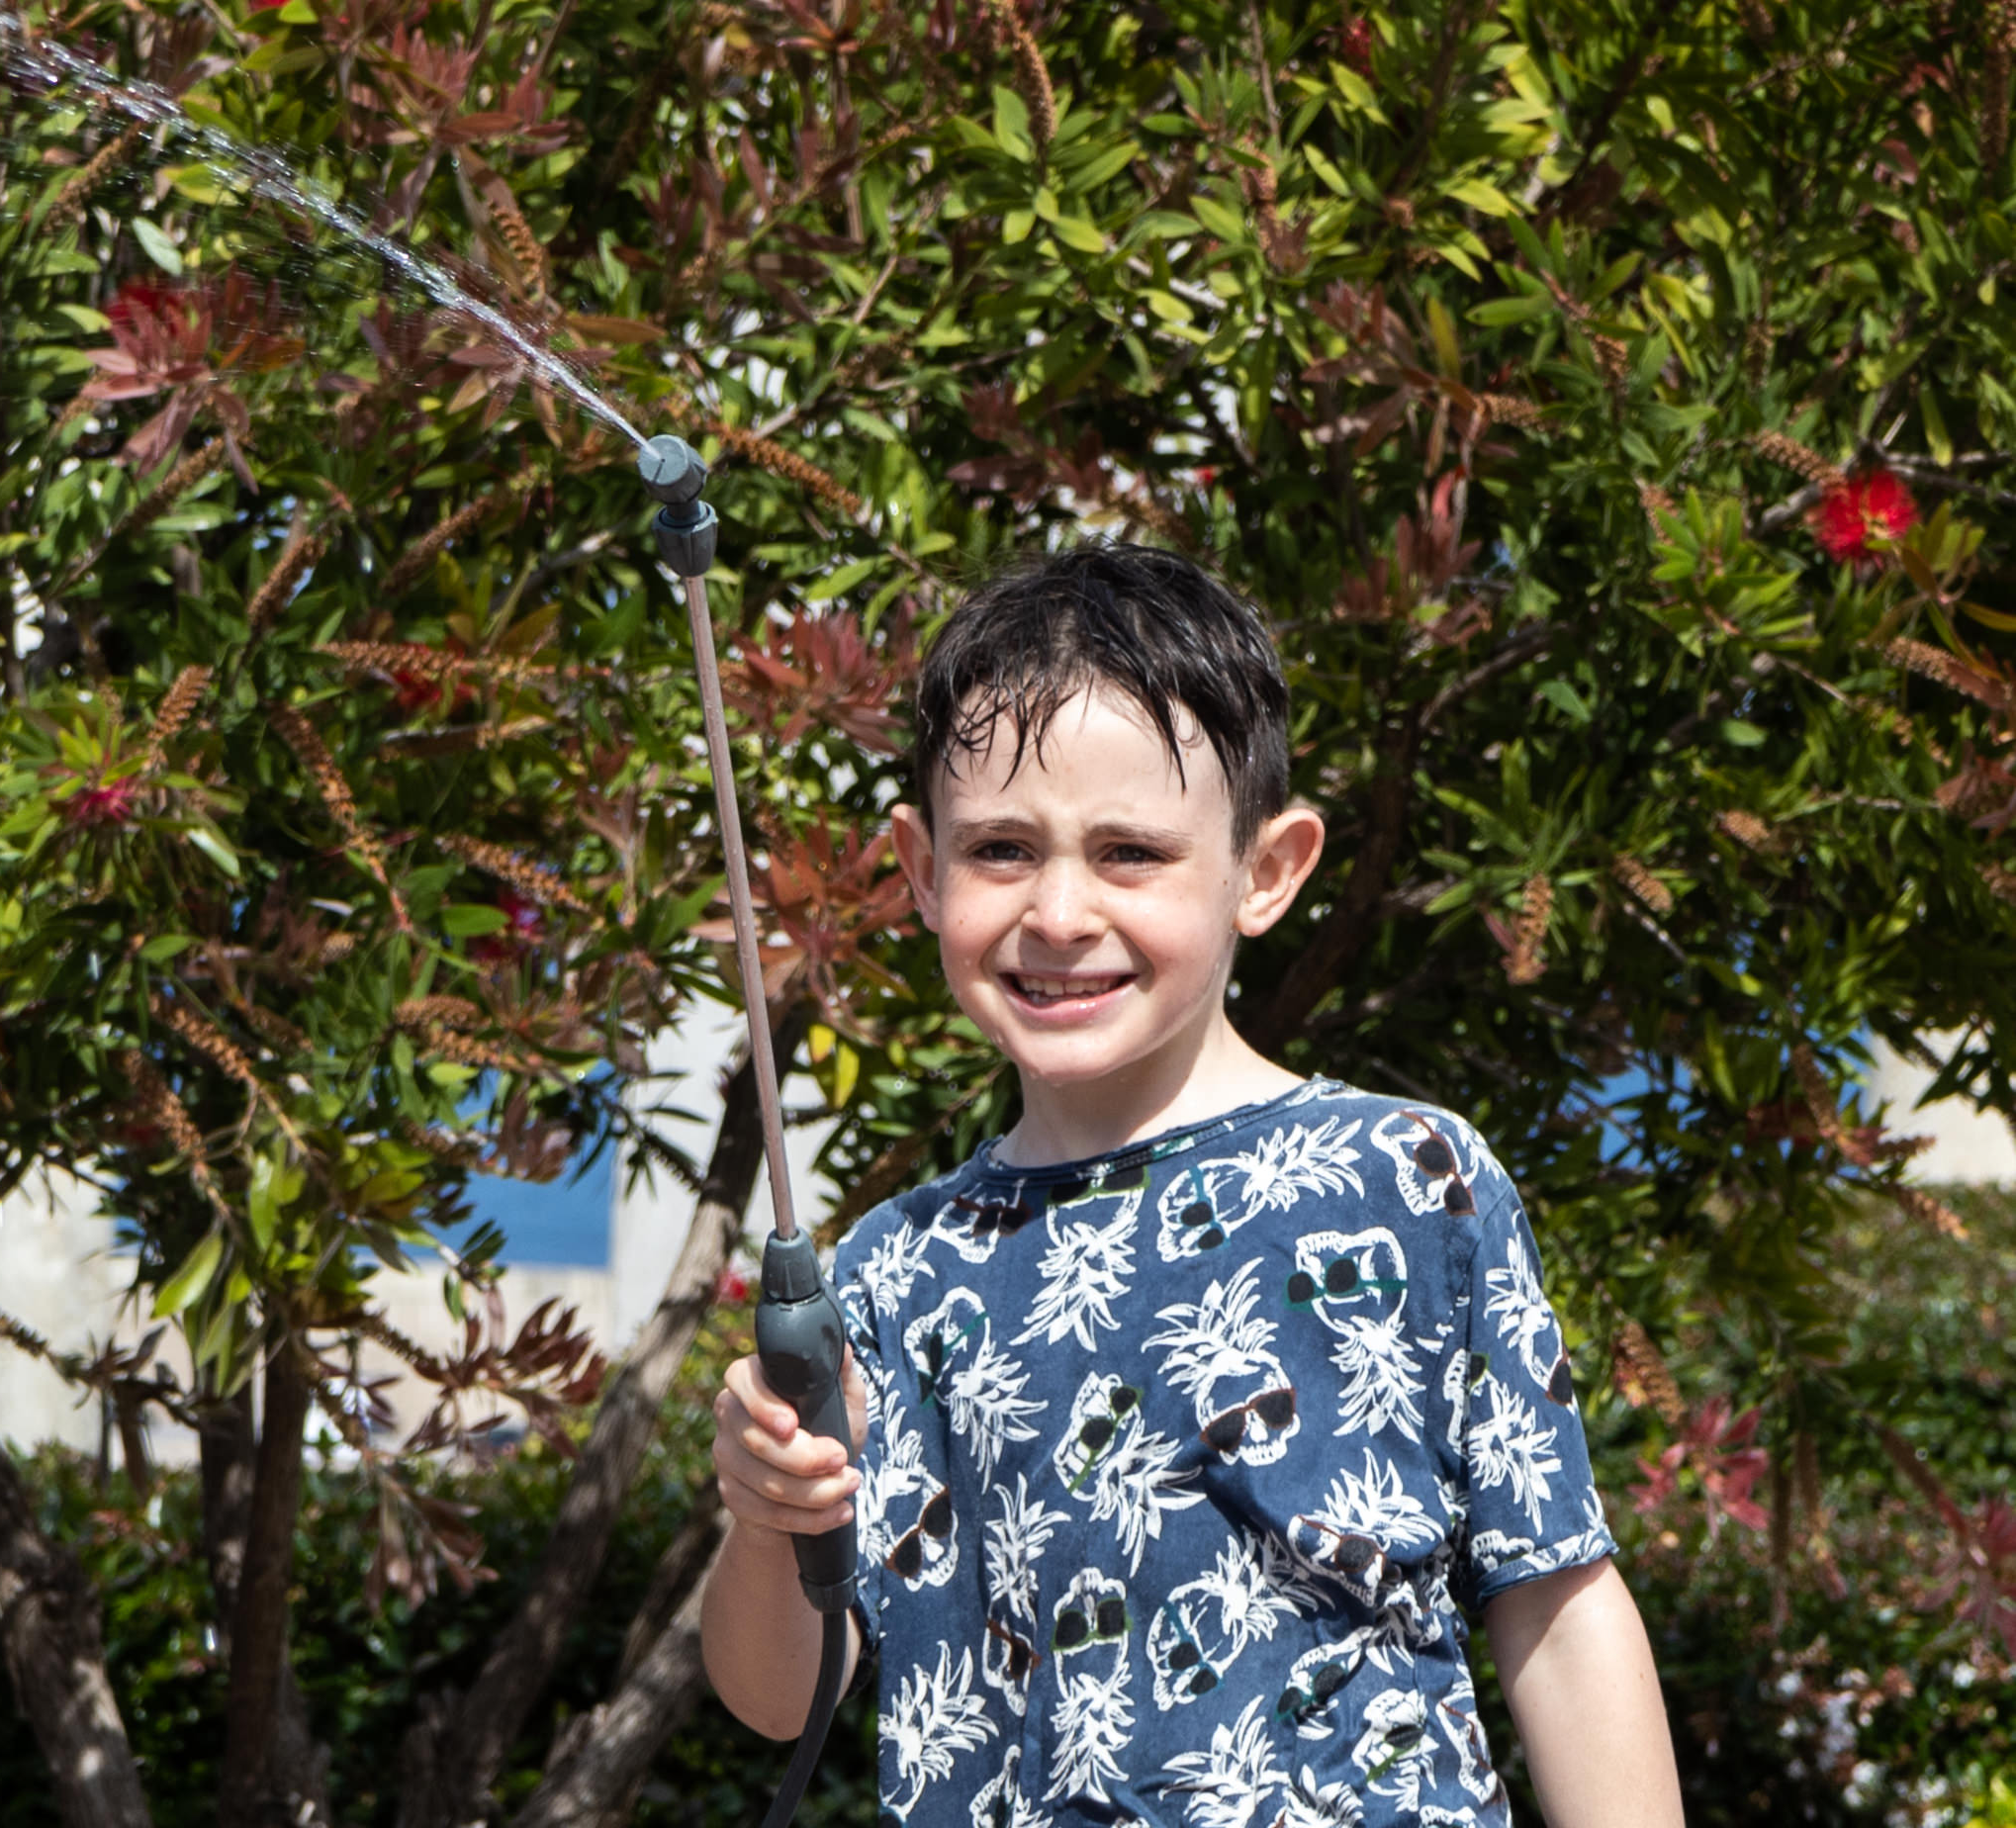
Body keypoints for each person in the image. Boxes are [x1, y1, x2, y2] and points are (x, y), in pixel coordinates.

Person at [701, 544, 1684, 1827]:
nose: (1060, 912)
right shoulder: (895, 1269)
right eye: (1001, 848)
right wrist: (771, 1513)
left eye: (1130, 852)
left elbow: (1555, 1596)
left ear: (1265, 872)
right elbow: (783, 1696)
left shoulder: (1405, 1180)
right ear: (923, 868)